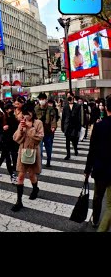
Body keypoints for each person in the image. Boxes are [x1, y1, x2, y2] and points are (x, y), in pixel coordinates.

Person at [11, 102, 44, 212]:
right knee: (20, 176)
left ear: (32, 112)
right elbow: (15, 138)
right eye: (24, 114)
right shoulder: (22, 123)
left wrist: (30, 129)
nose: (26, 116)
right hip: (23, 150)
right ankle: (19, 201)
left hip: (33, 151)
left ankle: (35, 188)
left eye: (28, 113)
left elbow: (39, 138)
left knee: (31, 175)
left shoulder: (38, 123)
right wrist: (21, 131)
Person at [84, 95, 111, 231]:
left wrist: (87, 169)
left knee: (98, 197)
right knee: (110, 206)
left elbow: (92, 150)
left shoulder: (99, 126)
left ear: (106, 108)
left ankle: (95, 220)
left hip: (100, 168)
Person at [0, 103, 19, 183]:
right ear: (6, 110)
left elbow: (16, 128)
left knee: (4, 156)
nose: (11, 110)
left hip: (12, 140)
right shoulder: (1, 118)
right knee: (7, 157)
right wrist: (2, 128)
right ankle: (12, 174)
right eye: (10, 109)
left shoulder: (14, 118)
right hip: (4, 140)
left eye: (12, 109)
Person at [35, 92, 57, 167]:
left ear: (46, 100)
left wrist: (53, 127)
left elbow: (54, 118)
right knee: (39, 149)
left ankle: (48, 159)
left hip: (48, 130)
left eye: (43, 99)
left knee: (48, 147)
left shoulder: (51, 109)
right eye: (40, 99)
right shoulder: (36, 108)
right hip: (39, 131)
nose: (42, 101)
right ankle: (39, 164)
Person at [61, 92, 82, 160]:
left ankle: (75, 149)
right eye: (68, 96)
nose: (69, 97)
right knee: (67, 141)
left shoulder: (78, 106)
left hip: (75, 126)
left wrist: (79, 127)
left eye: (70, 96)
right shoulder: (65, 106)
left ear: (73, 96)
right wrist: (62, 127)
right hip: (67, 126)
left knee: (74, 140)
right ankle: (68, 154)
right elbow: (63, 117)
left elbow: (79, 117)